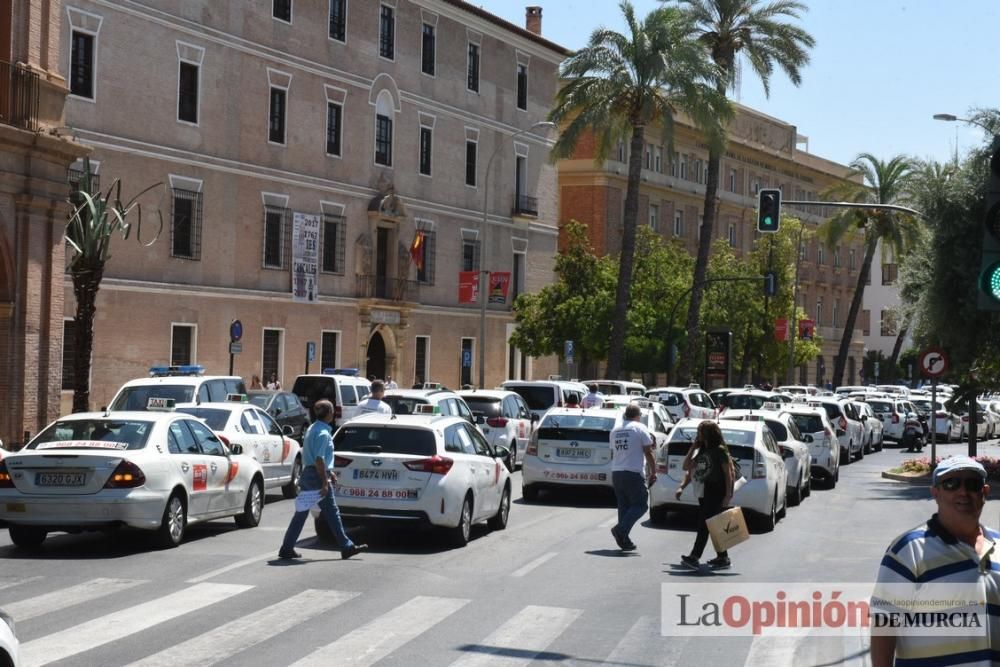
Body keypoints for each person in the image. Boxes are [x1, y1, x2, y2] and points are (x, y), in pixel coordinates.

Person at [871, 456, 1000, 666]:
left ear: (984, 492)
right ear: (936, 493)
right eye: (951, 484)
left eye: (972, 484)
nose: (963, 492)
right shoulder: (908, 550)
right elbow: (883, 623)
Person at [279, 399, 367, 560]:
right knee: (331, 512)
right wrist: (324, 481)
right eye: (332, 411)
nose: (333, 414)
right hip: (316, 476)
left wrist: (329, 472)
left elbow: (318, 458)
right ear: (329, 414)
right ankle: (345, 546)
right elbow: (319, 459)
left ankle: (287, 547)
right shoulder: (323, 433)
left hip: (310, 474)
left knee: (307, 513)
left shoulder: (314, 428)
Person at [679, 420, 735, 570]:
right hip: (706, 489)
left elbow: (728, 473)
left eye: (700, 432)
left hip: (717, 489)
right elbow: (686, 466)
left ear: (708, 433)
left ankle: (694, 556)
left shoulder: (720, 450)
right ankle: (723, 557)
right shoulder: (704, 450)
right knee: (713, 524)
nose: (698, 435)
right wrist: (693, 448)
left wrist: (728, 494)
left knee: (704, 524)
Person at [609, 404, 656, 551]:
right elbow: (648, 452)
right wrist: (653, 472)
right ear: (638, 415)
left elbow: (613, 452)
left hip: (617, 472)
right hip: (633, 472)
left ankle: (624, 540)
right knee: (641, 505)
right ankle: (621, 530)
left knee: (624, 506)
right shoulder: (640, 428)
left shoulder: (615, 430)